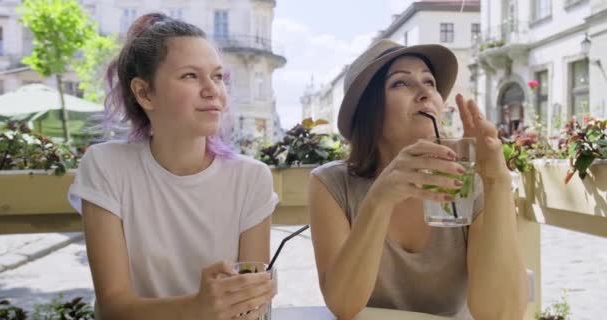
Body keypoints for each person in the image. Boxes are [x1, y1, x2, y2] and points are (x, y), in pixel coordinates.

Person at [68, 13, 278, 320]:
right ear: (144, 93)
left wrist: (253, 297)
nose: (212, 90)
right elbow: (113, 306)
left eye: (218, 76)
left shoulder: (252, 177)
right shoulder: (105, 166)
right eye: (190, 76)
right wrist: (197, 307)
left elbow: (251, 305)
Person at [308, 39, 528, 319]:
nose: (425, 93)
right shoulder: (331, 184)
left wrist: (496, 181)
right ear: (369, 110)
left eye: (430, 82)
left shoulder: (469, 181)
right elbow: (343, 305)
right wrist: (379, 198)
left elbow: (501, 314)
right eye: (401, 83)